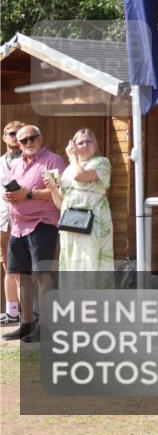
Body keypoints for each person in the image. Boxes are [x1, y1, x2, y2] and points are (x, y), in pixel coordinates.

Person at [1, 125, 65, 342]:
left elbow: (56, 192)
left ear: (41, 138)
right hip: (17, 227)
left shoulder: (52, 161)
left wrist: (26, 194)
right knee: (22, 276)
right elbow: (15, 191)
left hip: (42, 224)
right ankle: (26, 324)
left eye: (32, 138)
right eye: (23, 140)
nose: (28, 143)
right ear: (17, 144)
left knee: (42, 275)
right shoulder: (17, 164)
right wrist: (10, 196)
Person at [49, 128, 114, 279]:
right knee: (72, 265)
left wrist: (72, 157)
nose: (84, 145)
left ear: (95, 144)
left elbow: (80, 176)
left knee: (90, 263)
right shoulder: (69, 169)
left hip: (93, 221)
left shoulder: (101, 162)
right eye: (80, 142)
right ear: (74, 145)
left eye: (88, 141)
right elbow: (61, 204)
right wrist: (52, 188)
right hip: (71, 222)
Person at [0, 120, 24, 326]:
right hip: (3, 221)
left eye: (19, 134)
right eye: (12, 133)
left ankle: (29, 312)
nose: (15, 137)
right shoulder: (0, 162)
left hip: (25, 220)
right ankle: (12, 312)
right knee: (8, 266)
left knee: (24, 269)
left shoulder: (30, 160)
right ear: (4, 137)